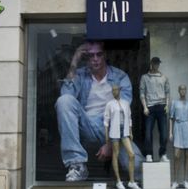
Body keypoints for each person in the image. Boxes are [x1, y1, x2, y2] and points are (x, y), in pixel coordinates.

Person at [55, 41, 144, 181]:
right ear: (86, 58)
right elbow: (65, 99)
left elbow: (122, 113)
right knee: (64, 100)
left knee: (138, 166)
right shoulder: (80, 75)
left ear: (105, 55)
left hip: (111, 127)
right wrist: (74, 62)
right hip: (86, 125)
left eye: (99, 54)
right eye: (91, 56)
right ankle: (77, 164)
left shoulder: (120, 77)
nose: (95, 59)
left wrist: (110, 143)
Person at [104, 85, 141, 189]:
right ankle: (118, 181)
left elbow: (129, 118)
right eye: (112, 90)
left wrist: (130, 131)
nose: (114, 92)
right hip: (114, 132)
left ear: (119, 90)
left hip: (124, 132)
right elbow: (106, 121)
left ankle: (131, 181)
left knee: (132, 154)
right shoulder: (109, 104)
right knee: (116, 154)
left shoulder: (125, 103)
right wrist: (106, 135)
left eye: (116, 90)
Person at [140, 57, 170, 162]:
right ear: (151, 63)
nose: (156, 65)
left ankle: (162, 154)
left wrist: (167, 104)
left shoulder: (164, 77)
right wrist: (144, 107)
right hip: (150, 107)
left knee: (164, 134)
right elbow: (142, 93)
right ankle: (149, 154)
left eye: (158, 63)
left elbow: (167, 92)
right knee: (148, 133)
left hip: (162, 106)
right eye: (155, 63)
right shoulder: (145, 77)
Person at [169, 85, 188, 189]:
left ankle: (185, 180)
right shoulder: (174, 103)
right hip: (178, 127)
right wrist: (170, 132)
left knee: (187, 155)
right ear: (178, 91)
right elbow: (171, 118)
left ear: (186, 90)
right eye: (181, 89)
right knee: (177, 155)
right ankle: (175, 180)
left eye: (185, 89)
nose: (183, 91)